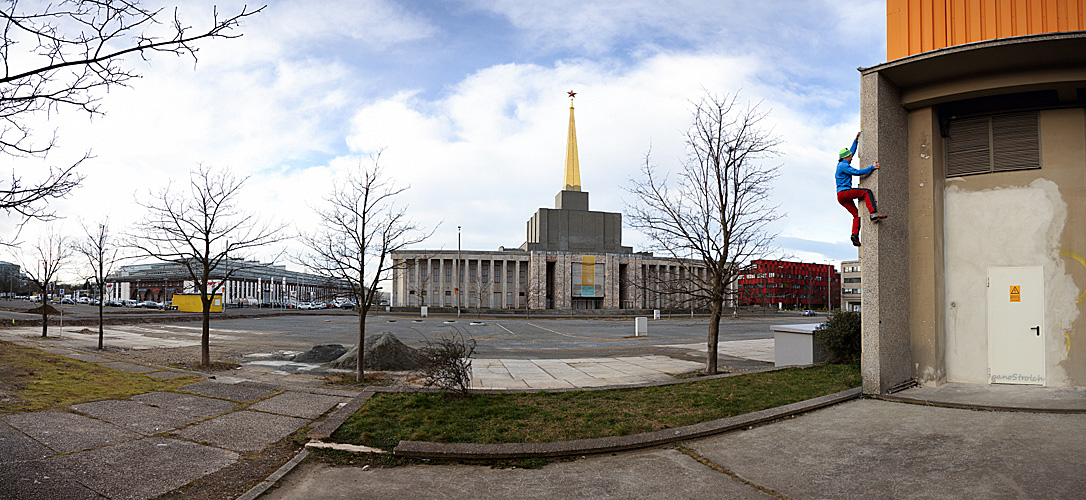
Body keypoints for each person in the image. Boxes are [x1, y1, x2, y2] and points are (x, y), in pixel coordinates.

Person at [836, 131, 885, 247]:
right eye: (850, 157)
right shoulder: (843, 166)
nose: (851, 157)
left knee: (856, 215)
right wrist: (872, 167)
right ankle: (873, 214)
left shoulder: (842, 162)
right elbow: (857, 172)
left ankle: (854, 235)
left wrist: (856, 140)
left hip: (841, 196)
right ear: (845, 157)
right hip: (844, 193)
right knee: (866, 192)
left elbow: (851, 152)